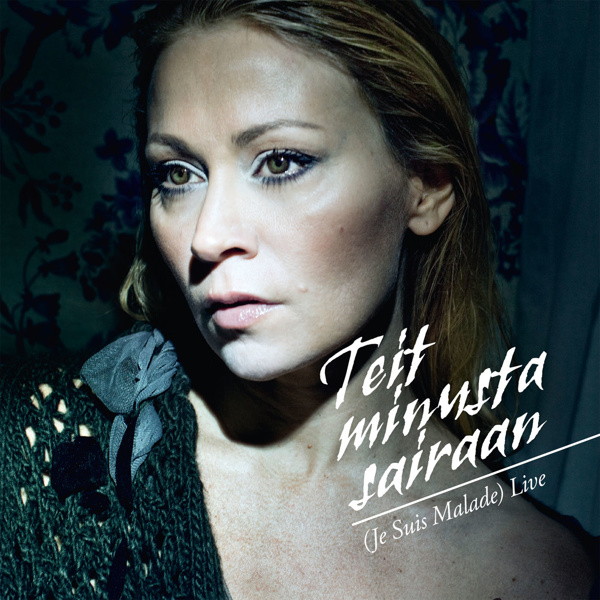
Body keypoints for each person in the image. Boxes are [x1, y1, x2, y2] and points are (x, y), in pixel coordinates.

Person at [1, 1, 595, 599]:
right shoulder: (34, 456)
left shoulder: (553, 574)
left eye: (281, 162)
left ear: (426, 187)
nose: (208, 237)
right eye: (178, 174)